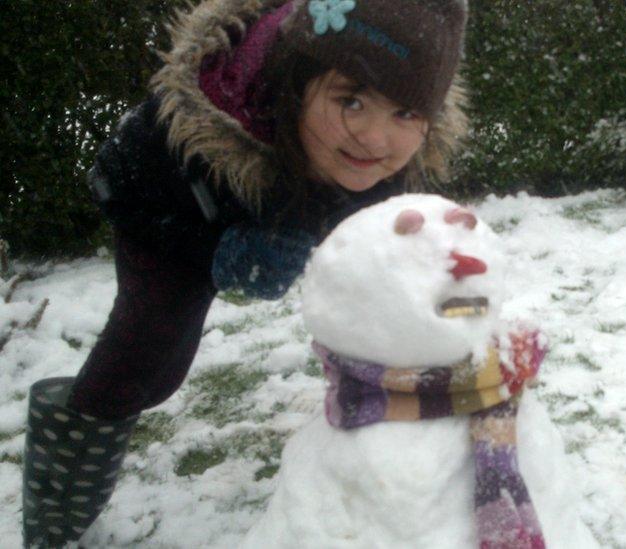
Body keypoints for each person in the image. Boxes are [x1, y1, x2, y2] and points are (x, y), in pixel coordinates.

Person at [21, 0, 468, 546]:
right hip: (167, 212)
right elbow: (140, 202)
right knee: (147, 363)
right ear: (298, 81)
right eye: (351, 101)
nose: (376, 139)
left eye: (405, 114)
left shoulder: (385, 147)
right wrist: (219, 251)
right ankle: (56, 512)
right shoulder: (210, 111)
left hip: (255, 209)